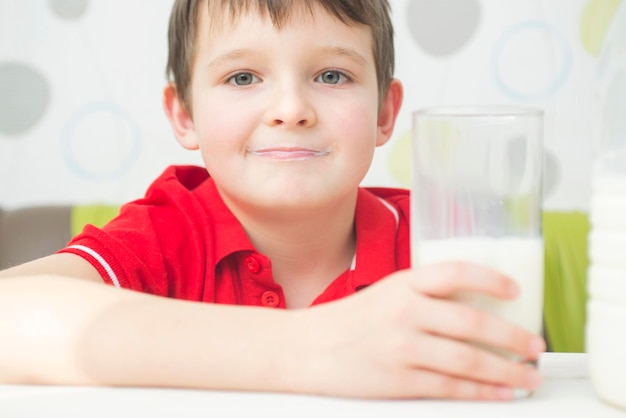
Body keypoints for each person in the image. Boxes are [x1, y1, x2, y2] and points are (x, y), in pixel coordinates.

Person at [0, 0, 545, 400]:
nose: (290, 108)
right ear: (183, 115)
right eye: (243, 77)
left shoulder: (437, 245)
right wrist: (316, 347)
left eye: (332, 75)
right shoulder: (167, 234)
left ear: (384, 112)